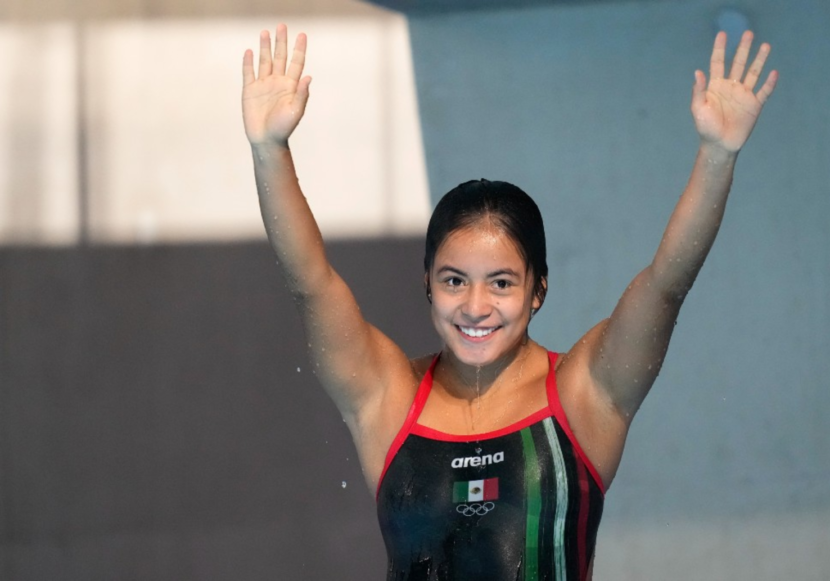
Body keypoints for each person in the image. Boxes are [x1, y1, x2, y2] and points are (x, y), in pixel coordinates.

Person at [242, 23, 777, 580]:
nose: (475, 306)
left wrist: (717, 155)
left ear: (538, 289)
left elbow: (668, 284)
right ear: (427, 282)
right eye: (454, 281)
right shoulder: (389, 399)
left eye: (501, 283)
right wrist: (269, 150)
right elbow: (311, 284)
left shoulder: (583, 393)